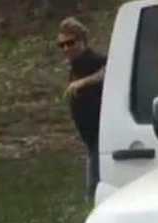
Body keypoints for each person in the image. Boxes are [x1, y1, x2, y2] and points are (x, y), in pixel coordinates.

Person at [58, 17, 106, 201]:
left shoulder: (91, 60)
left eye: (70, 43)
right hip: (90, 137)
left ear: (82, 41)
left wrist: (84, 82)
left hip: (101, 134)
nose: (66, 48)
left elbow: (112, 67)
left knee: (94, 192)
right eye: (62, 45)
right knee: (92, 190)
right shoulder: (77, 64)